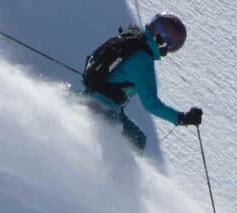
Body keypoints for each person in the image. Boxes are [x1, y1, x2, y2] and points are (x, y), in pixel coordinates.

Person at [81, 14, 201, 152]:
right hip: (103, 110)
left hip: (89, 96)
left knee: (138, 139)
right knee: (136, 143)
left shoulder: (131, 40)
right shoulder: (143, 60)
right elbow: (152, 105)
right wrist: (182, 118)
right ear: (162, 42)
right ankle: (112, 172)